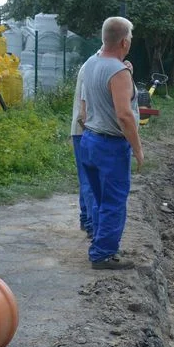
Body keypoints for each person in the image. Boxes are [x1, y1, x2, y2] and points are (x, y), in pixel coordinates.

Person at [78, 16, 143, 270]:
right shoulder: (118, 72)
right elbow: (124, 115)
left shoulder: (91, 63)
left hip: (90, 140)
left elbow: (86, 107)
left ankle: (99, 243)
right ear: (124, 42)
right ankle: (103, 254)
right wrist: (137, 149)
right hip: (110, 146)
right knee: (114, 201)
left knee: (98, 197)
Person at [70, 57, 96, 239]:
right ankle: (91, 224)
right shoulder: (93, 67)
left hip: (82, 130)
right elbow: (84, 109)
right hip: (84, 131)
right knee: (89, 180)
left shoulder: (91, 64)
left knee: (85, 179)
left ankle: (86, 218)